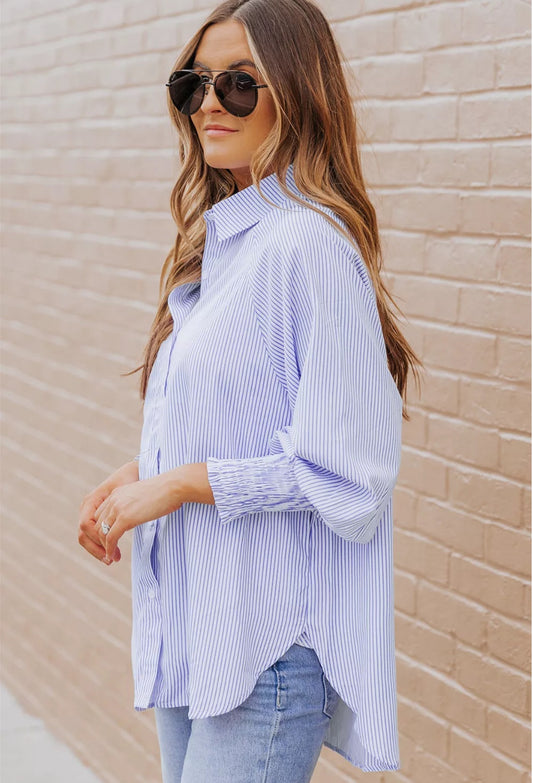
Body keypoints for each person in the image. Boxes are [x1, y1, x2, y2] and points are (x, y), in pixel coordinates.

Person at [78, 1, 422, 781]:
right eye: (192, 84)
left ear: (297, 93)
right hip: (197, 633)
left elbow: (350, 474)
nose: (208, 103)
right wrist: (142, 474)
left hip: (259, 651)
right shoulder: (227, 242)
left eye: (238, 83)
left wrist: (176, 484)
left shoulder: (307, 245)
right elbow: (245, 418)